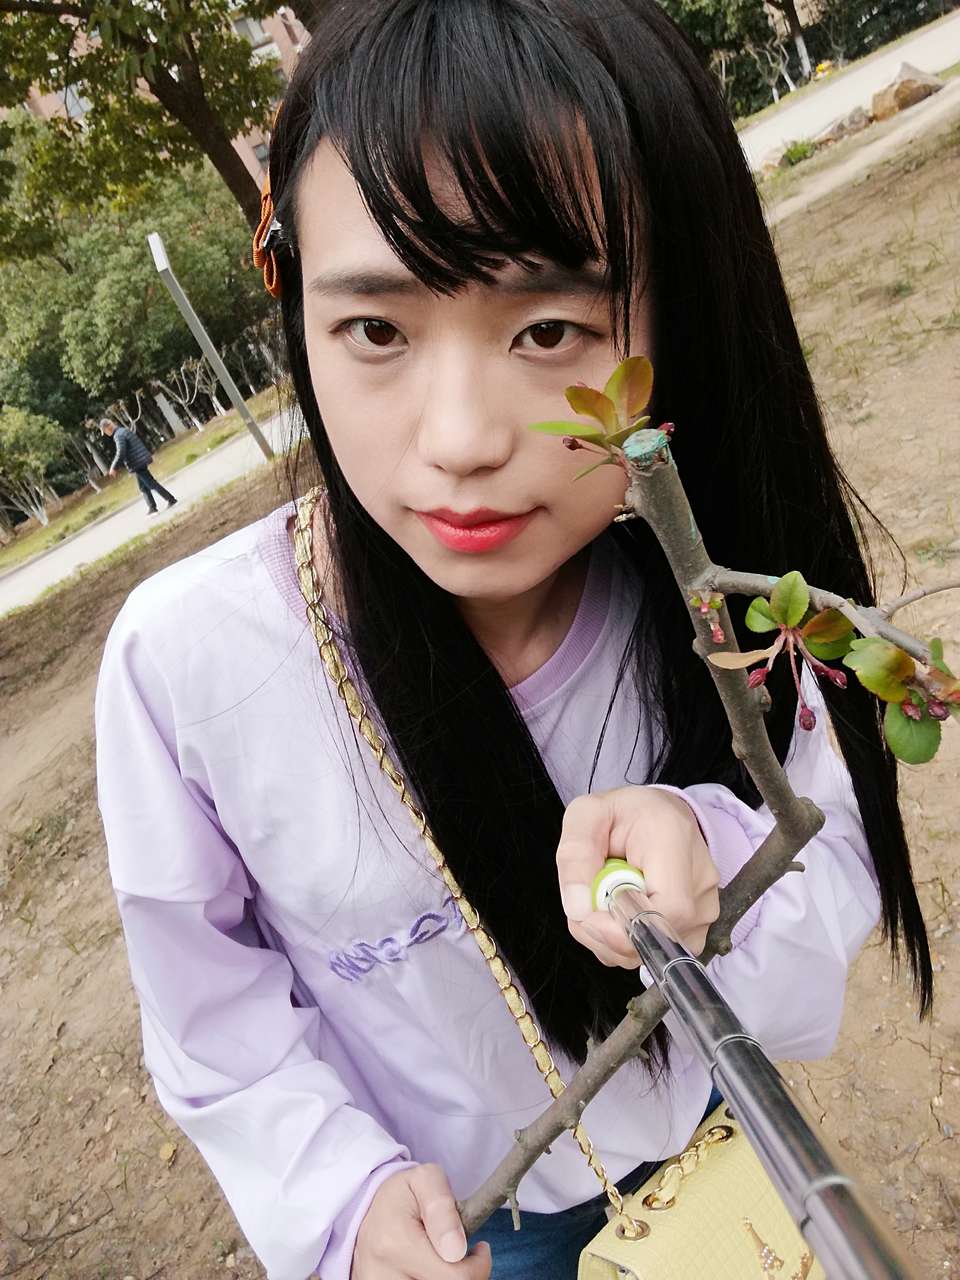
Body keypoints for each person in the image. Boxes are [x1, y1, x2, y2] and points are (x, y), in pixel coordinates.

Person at [95, 3, 932, 1279]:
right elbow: (213, 1008)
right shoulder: (187, 665)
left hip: (723, 1155)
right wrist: (339, 1197)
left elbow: (828, 873)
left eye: (548, 330)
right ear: (297, 303)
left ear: (681, 318)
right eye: (376, 330)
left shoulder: (747, 607)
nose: (459, 440)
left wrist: (711, 853)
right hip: (480, 1234)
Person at [99, 417, 177, 515]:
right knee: (143, 487)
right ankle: (152, 508)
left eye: (105, 431)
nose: (106, 434)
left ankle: (170, 499)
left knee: (151, 483)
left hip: (137, 462)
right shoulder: (123, 430)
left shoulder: (118, 435)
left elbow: (121, 452)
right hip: (140, 460)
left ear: (107, 428)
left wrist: (113, 467)